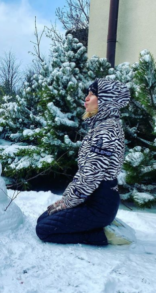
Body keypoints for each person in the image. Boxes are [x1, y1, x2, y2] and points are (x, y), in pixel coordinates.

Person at [36, 78, 132, 246]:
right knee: (44, 218)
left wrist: (67, 203)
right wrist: (66, 199)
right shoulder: (101, 126)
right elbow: (84, 174)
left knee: (44, 230)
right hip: (90, 198)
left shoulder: (107, 130)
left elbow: (90, 177)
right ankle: (100, 225)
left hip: (99, 204)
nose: (86, 98)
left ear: (107, 100)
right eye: (87, 94)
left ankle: (104, 234)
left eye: (92, 94)